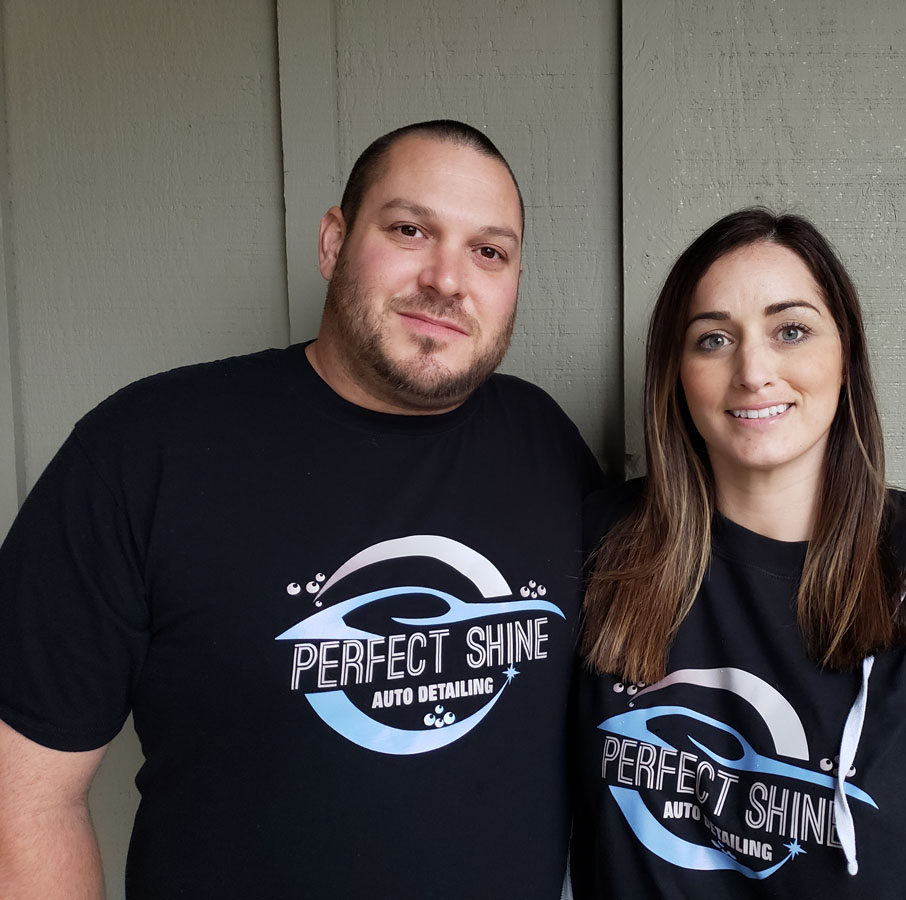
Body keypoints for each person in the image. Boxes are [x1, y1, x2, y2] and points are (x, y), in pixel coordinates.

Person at [0, 120, 601, 899]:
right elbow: (25, 798)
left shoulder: (545, 443)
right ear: (333, 243)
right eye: (410, 230)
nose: (448, 280)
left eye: (489, 251)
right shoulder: (145, 450)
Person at [570, 208, 906, 899]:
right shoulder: (597, 552)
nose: (753, 371)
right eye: (713, 339)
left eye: (790, 331)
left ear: (845, 356)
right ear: (676, 374)